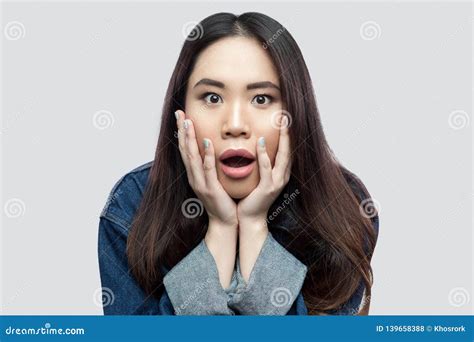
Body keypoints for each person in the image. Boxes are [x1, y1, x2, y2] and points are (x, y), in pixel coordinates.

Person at [98, 11, 379, 315]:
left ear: (294, 112)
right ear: (181, 115)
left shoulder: (343, 208)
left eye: (261, 99)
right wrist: (220, 230)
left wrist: (254, 228)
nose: (234, 125)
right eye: (212, 98)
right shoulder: (131, 207)